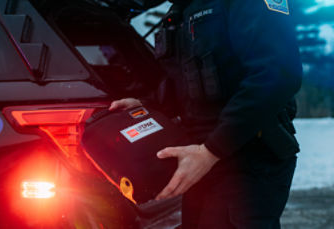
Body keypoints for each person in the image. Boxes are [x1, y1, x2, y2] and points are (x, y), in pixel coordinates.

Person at [110, 0, 303, 228]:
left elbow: (278, 75)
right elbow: (186, 85)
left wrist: (212, 150)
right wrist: (145, 105)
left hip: (249, 160)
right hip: (201, 158)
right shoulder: (183, 9)